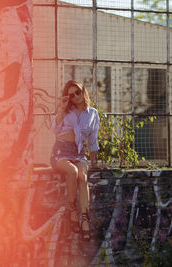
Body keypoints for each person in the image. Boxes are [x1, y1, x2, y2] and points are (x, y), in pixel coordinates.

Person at [50, 80, 99, 241]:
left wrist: (95, 163)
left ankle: (84, 218)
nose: (76, 96)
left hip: (79, 153)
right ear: (68, 97)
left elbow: (92, 141)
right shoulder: (66, 111)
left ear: (83, 91)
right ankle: (73, 210)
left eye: (77, 92)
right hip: (61, 151)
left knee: (82, 177)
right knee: (72, 171)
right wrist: (62, 108)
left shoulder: (92, 114)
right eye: (71, 94)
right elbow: (54, 129)